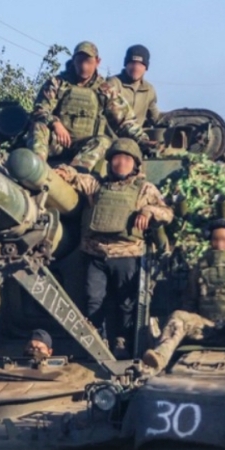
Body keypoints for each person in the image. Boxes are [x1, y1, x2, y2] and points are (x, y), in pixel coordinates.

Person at [55, 138, 173, 359]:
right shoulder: (97, 186)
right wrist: (64, 172)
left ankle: (122, 340)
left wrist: (148, 211)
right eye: (117, 158)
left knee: (126, 304)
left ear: (135, 164)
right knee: (93, 299)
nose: (121, 163)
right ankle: (96, 342)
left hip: (128, 254)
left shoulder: (144, 189)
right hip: (95, 253)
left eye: (127, 159)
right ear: (110, 162)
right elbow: (76, 178)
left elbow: (167, 213)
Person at [141, 219, 225, 376]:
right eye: (215, 240)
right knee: (178, 316)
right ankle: (160, 357)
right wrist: (189, 324)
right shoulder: (199, 269)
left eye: (224, 240)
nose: (219, 244)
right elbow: (189, 302)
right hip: (206, 328)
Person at [27, 41, 151, 171]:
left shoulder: (104, 89)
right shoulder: (57, 83)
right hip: (56, 143)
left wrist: (144, 141)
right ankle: (36, 170)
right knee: (38, 126)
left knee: (104, 141)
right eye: (80, 61)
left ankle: (73, 174)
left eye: (88, 62)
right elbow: (39, 110)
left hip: (85, 148)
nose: (84, 66)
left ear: (98, 62)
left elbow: (125, 121)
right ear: (73, 60)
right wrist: (55, 123)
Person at [107, 44, 161, 128]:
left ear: (146, 68)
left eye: (140, 64)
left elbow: (156, 119)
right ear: (126, 64)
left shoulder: (148, 89)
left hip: (138, 134)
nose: (136, 67)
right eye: (132, 63)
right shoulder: (113, 84)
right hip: (113, 134)